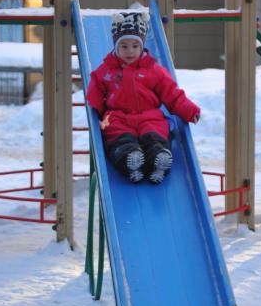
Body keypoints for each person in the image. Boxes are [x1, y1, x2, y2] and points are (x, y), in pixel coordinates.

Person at [86, 11, 201, 184]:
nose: (130, 51)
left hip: (150, 116)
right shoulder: (107, 70)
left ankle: (159, 162)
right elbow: (95, 89)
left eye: (135, 46)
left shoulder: (153, 70)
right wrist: (98, 112)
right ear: (116, 46)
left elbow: (173, 94)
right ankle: (131, 161)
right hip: (118, 117)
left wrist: (189, 110)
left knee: (155, 137)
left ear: (142, 46)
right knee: (119, 139)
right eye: (124, 46)